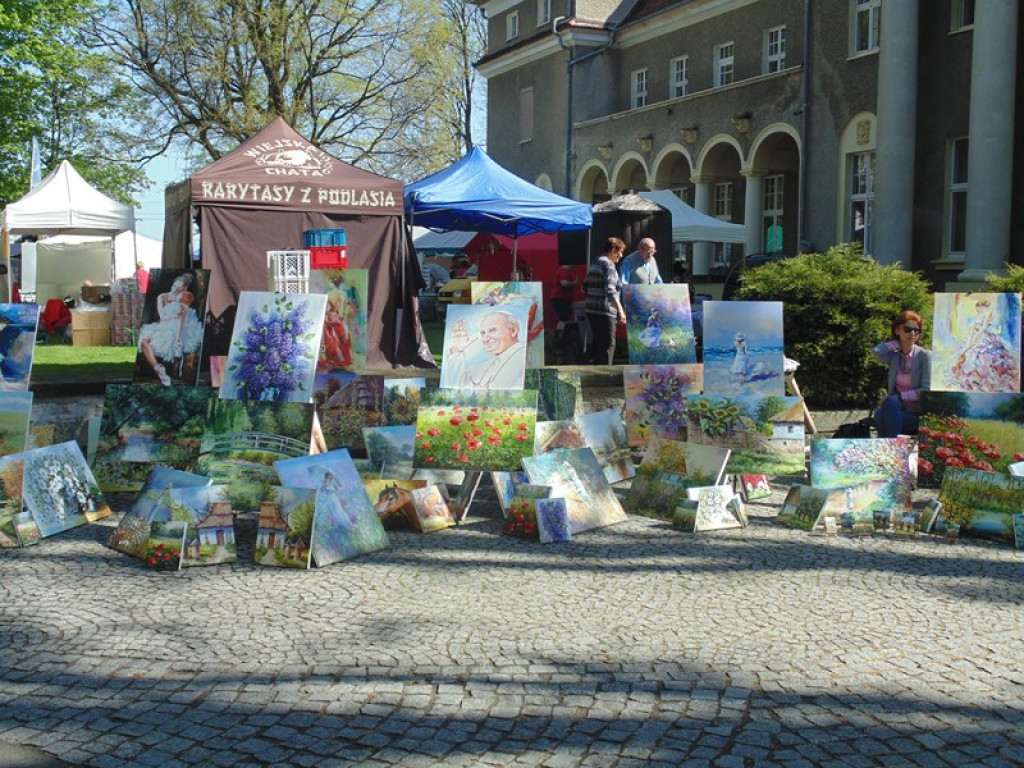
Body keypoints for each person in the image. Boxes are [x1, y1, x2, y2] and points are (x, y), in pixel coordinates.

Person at [871, 310, 931, 437]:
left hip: (917, 414)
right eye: (908, 329)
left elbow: (926, 390)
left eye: (917, 330)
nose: (913, 333)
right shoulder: (895, 356)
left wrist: (900, 397)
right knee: (879, 414)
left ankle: (890, 448)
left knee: (888, 406)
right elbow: (876, 352)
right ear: (898, 330)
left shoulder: (924, 356)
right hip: (897, 409)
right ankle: (891, 447)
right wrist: (895, 343)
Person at [138, 272, 204, 386]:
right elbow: (162, 317)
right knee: (144, 342)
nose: (175, 289)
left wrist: (178, 338)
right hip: (161, 326)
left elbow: (183, 320)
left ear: (184, 288)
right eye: (174, 286)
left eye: (179, 288)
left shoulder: (183, 298)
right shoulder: (162, 297)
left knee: (159, 344)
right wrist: (175, 315)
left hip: (175, 330)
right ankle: (159, 370)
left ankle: (163, 375)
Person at [445, 309, 527, 389]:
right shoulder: (482, 367)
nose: (485, 338)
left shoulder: (525, 357)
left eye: (492, 330)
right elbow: (453, 389)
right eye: (483, 333)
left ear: (513, 331)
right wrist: (456, 351)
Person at [584, 237, 627, 365]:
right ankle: (606, 375)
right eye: (620, 253)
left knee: (597, 345)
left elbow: (585, 286)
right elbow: (611, 291)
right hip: (605, 311)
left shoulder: (595, 262)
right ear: (613, 250)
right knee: (608, 345)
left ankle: (578, 366)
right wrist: (621, 312)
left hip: (591, 309)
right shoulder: (609, 264)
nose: (620, 256)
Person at [550, 264, 578, 331]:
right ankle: (559, 334)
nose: (575, 267)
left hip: (563, 299)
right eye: (574, 265)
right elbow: (564, 283)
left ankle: (560, 334)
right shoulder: (564, 271)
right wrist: (575, 282)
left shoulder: (564, 271)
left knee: (563, 318)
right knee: (563, 318)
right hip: (560, 299)